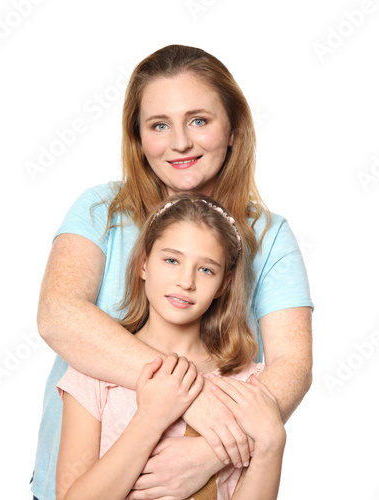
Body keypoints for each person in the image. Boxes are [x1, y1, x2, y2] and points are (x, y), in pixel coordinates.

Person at [31, 44, 313, 500]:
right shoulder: (102, 210)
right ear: (139, 138)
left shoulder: (271, 236)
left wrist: (215, 452)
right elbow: (57, 314)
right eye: (159, 125)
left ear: (234, 129)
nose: (180, 142)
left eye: (199, 120)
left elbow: (293, 365)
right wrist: (187, 396)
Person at [55, 193, 286, 500]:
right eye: (172, 260)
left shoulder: (246, 386)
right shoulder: (94, 372)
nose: (185, 282)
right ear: (143, 264)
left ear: (224, 284)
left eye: (206, 269)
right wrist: (150, 418)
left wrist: (272, 444)